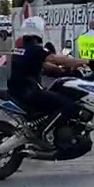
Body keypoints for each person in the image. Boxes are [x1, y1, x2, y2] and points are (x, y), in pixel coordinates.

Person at [7, 16, 89, 149]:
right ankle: (43, 133)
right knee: (70, 106)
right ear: (38, 32)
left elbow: (44, 65)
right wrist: (84, 61)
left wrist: (62, 71)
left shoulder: (22, 49)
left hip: (19, 90)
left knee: (55, 95)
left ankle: (45, 127)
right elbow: (54, 59)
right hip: (30, 92)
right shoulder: (36, 49)